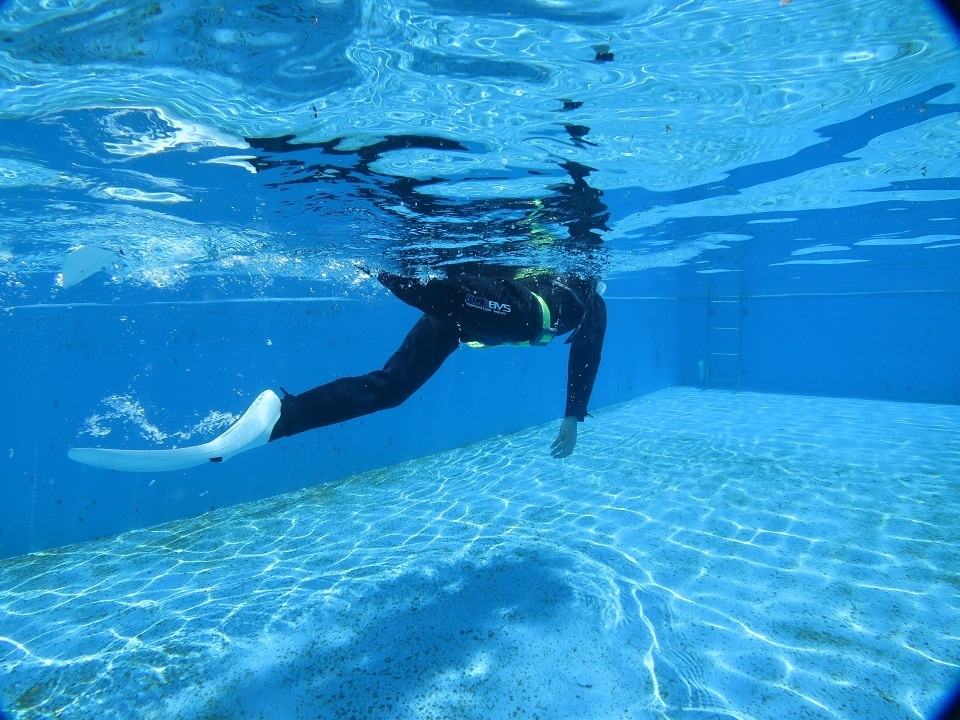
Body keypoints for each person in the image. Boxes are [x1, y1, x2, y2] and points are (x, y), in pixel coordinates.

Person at [68, 269, 606, 472]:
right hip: (503, 310)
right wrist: (572, 418)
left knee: (392, 388)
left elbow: (587, 353)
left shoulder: (587, 295)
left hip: (471, 319)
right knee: (455, 300)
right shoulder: (582, 289)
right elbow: (586, 347)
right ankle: (383, 263)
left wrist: (572, 416)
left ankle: (282, 417)